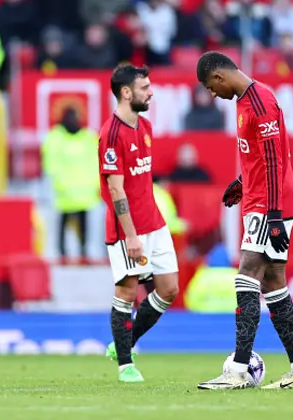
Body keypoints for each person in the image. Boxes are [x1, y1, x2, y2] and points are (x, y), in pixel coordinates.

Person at [194, 51, 293, 390]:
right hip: (263, 200)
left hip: (268, 206)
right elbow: (259, 156)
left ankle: (237, 371)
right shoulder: (247, 100)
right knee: (274, 283)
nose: (212, 94)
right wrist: (243, 182)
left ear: (219, 77)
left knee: (247, 274)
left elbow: (277, 160)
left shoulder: (259, 102)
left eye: (210, 87)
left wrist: (273, 216)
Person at [98, 64, 179, 383]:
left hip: (154, 223)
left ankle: (123, 344)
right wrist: (131, 237)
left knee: (169, 288)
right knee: (127, 291)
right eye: (145, 87)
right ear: (126, 92)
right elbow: (116, 189)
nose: (151, 92)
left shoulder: (144, 126)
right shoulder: (111, 134)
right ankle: (125, 365)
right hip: (126, 229)